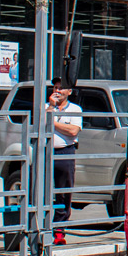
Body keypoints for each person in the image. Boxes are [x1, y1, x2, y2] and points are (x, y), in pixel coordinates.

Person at [46, 87, 82, 246]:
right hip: (45, 151)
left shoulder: (75, 109)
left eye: (62, 88)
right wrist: (51, 108)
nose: (58, 91)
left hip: (65, 152)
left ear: (69, 92)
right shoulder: (45, 107)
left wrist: (51, 122)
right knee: (42, 191)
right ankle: (41, 228)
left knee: (63, 192)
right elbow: (39, 126)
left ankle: (59, 230)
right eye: (55, 88)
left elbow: (73, 131)